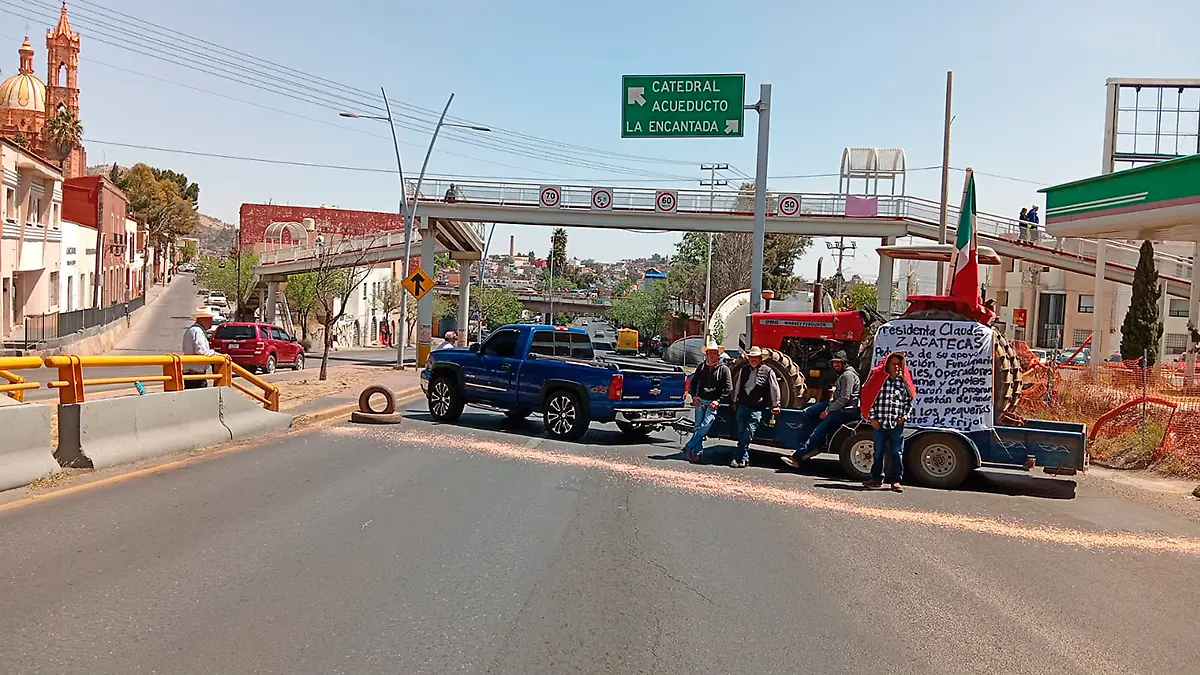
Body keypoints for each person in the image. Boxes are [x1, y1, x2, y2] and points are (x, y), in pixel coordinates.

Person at [781, 350, 861, 468]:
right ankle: (814, 444)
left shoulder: (848, 376)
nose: (836, 365)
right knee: (808, 412)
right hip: (837, 406)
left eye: (838, 362)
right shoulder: (844, 374)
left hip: (845, 410)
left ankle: (797, 457)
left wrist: (828, 411)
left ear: (844, 362)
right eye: (834, 363)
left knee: (819, 430)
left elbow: (844, 398)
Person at [860, 351, 916, 492]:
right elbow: (869, 399)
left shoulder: (902, 383)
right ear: (887, 365)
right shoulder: (879, 382)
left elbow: (908, 402)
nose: (897, 367)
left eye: (899, 364)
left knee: (897, 452)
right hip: (879, 423)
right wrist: (872, 418)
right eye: (894, 364)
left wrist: (904, 417)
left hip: (896, 424)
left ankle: (896, 480)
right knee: (878, 452)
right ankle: (876, 479)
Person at [682, 340, 733, 463]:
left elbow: (729, 388)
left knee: (705, 425)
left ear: (718, 355)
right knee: (698, 426)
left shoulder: (724, 369)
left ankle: (689, 446)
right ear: (707, 354)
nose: (712, 355)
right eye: (710, 353)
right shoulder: (701, 367)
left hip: (712, 403)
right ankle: (697, 453)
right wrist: (694, 396)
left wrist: (718, 400)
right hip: (700, 400)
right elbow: (693, 383)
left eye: (714, 353)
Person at [730, 346, 781, 469]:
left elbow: (775, 388)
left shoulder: (768, 371)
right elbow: (738, 385)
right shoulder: (744, 370)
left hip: (757, 407)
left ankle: (738, 455)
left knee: (749, 432)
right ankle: (744, 458)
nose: (753, 360)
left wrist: (776, 404)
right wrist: (735, 400)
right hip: (743, 404)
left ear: (760, 359)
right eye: (751, 357)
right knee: (741, 431)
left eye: (755, 357)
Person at [182, 308, 217, 389]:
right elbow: (200, 350)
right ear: (201, 320)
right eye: (209, 319)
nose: (211, 321)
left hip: (191, 373)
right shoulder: (198, 331)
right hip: (196, 374)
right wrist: (213, 352)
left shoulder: (192, 330)